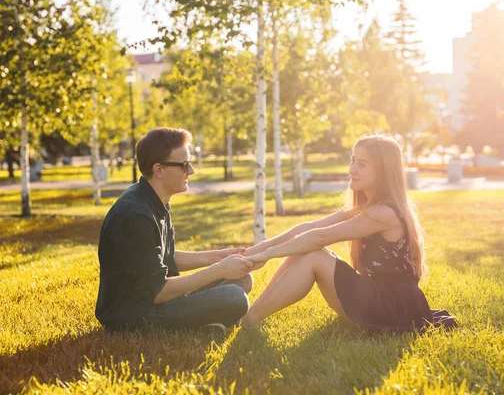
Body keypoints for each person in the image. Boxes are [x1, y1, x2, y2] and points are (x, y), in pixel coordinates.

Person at [242, 135, 456, 332]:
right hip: (375, 296)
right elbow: (308, 228)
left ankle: (248, 321)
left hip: (391, 309)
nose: (352, 169)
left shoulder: (383, 213)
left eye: (362, 164)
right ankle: (248, 315)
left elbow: (320, 237)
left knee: (314, 254)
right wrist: (256, 250)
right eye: (353, 161)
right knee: (303, 248)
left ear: (384, 172)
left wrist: (266, 256)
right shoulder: (363, 208)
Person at [95, 127, 253, 333]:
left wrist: (218, 257)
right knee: (234, 297)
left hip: (156, 299)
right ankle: (200, 327)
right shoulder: (134, 216)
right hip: (133, 315)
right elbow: (158, 291)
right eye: (184, 165)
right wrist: (220, 269)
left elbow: (166, 257)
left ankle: (204, 325)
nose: (191, 171)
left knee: (242, 279)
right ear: (159, 170)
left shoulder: (155, 199)